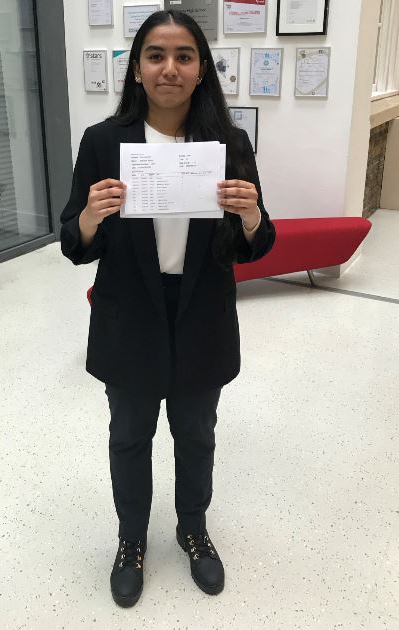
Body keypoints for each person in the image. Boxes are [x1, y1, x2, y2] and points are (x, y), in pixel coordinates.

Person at [60, 9, 275, 608]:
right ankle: (131, 541)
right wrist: (90, 215)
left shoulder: (228, 144)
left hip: (202, 314)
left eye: (184, 56)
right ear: (136, 68)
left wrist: (251, 215)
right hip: (130, 313)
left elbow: (257, 242)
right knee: (130, 436)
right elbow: (74, 242)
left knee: (196, 435)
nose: (169, 68)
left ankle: (193, 530)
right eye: (156, 55)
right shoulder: (104, 142)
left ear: (202, 69)